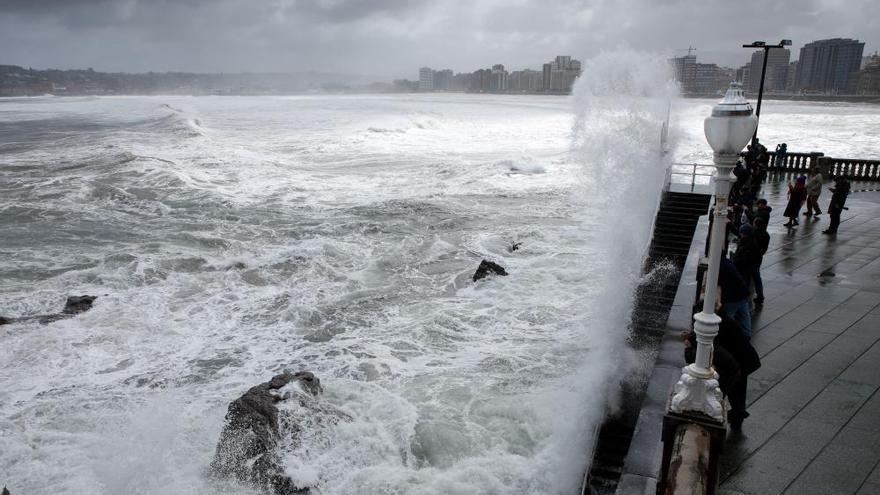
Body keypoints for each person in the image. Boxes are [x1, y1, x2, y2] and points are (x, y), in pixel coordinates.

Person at [683, 303, 761, 429]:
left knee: (735, 390)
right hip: (743, 359)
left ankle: (737, 416)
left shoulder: (718, 328)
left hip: (741, 362)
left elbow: (695, 354)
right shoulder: (720, 320)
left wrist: (688, 346)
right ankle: (738, 415)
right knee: (738, 391)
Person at [719, 254, 752, 338]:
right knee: (745, 316)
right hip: (743, 293)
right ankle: (746, 334)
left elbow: (719, 281)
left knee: (728, 318)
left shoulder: (721, 266)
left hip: (733, 298)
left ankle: (731, 337)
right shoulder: (727, 262)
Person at [733, 224, 761, 306]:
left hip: (744, 269)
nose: (740, 235)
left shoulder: (748, 245)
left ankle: (746, 303)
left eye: (741, 233)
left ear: (745, 234)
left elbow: (745, 259)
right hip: (747, 268)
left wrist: (735, 261)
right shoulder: (749, 241)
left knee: (744, 285)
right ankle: (746, 302)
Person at [752, 217, 770, 308]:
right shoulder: (766, 234)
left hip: (751, 258)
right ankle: (760, 296)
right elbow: (765, 248)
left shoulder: (754, 233)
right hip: (758, 258)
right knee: (757, 278)